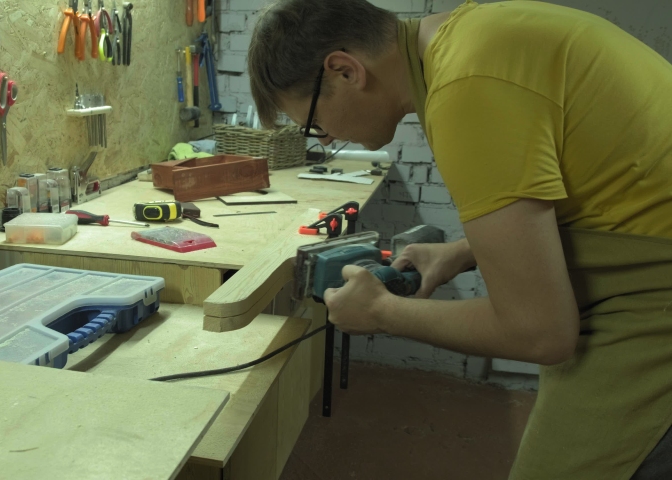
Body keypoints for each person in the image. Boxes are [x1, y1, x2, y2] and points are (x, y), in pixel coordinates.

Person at [247, 1, 672, 478]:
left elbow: (540, 332)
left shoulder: (466, 89)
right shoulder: (472, 38)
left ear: (344, 71)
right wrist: (464, 252)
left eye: (314, 125)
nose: (323, 142)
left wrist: (383, 313)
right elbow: (598, 185)